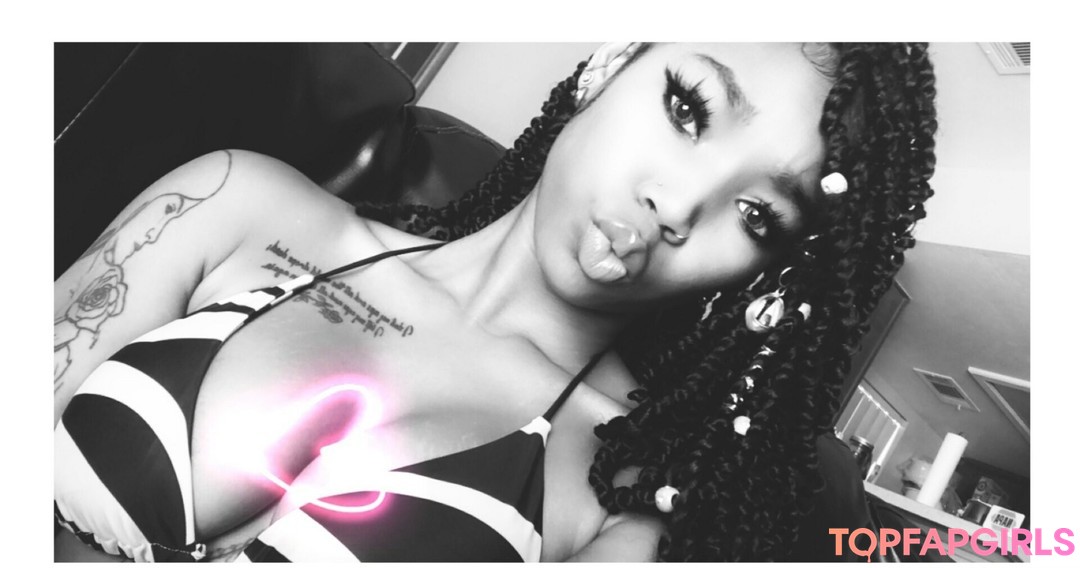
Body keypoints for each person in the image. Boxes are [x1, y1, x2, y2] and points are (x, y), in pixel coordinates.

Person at [53, 42, 937, 562]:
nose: (677, 203)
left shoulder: (628, 496)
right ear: (611, 63)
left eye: (757, 214)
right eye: (687, 108)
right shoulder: (232, 202)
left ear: (764, 276)